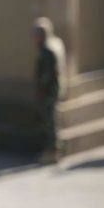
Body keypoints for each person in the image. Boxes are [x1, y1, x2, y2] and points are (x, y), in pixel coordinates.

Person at [33, 17, 67, 164]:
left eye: (35, 34)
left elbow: (47, 74)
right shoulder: (56, 43)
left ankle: (52, 152)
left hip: (49, 90)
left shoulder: (47, 49)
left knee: (50, 121)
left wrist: (41, 89)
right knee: (53, 119)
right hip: (57, 87)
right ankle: (54, 150)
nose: (33, 38)